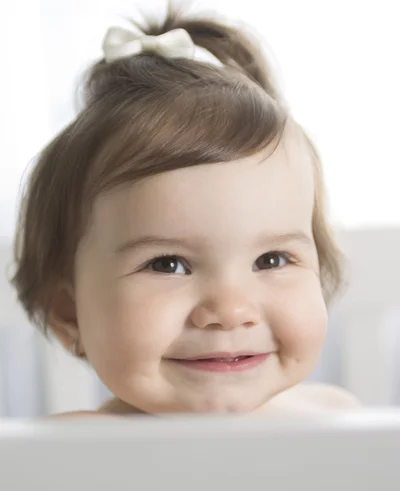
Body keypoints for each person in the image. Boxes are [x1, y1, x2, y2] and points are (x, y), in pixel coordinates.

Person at [9, 3, 360, 418]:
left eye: (272, 259)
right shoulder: (55, 457)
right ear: (70, 313)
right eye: (167, 264)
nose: (230, 312)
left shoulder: (340, 424)